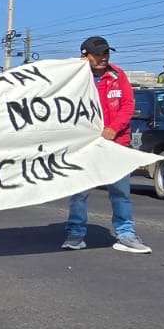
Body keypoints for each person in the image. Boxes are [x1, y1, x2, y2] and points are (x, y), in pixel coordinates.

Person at [60, 36, 150, 254]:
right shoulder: (74, 77)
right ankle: (76, 233)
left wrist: (113, 129)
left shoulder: (118, 75)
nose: (103, 58)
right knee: (80, 192)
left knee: (120, 192)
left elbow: (128, 106)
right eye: (98, 54)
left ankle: (126, 234)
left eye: (106, 54)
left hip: (117, 143)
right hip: (84, 146)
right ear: (85, 55)